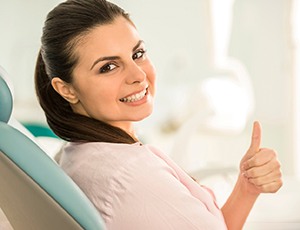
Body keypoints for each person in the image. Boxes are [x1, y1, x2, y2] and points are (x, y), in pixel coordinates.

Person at [35, 0, 283, 229]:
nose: (138, 75)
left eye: (137, 54)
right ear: (66, 89)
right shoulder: (132, 174)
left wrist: (246, 188)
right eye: (108, 67)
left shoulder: (76, 154)